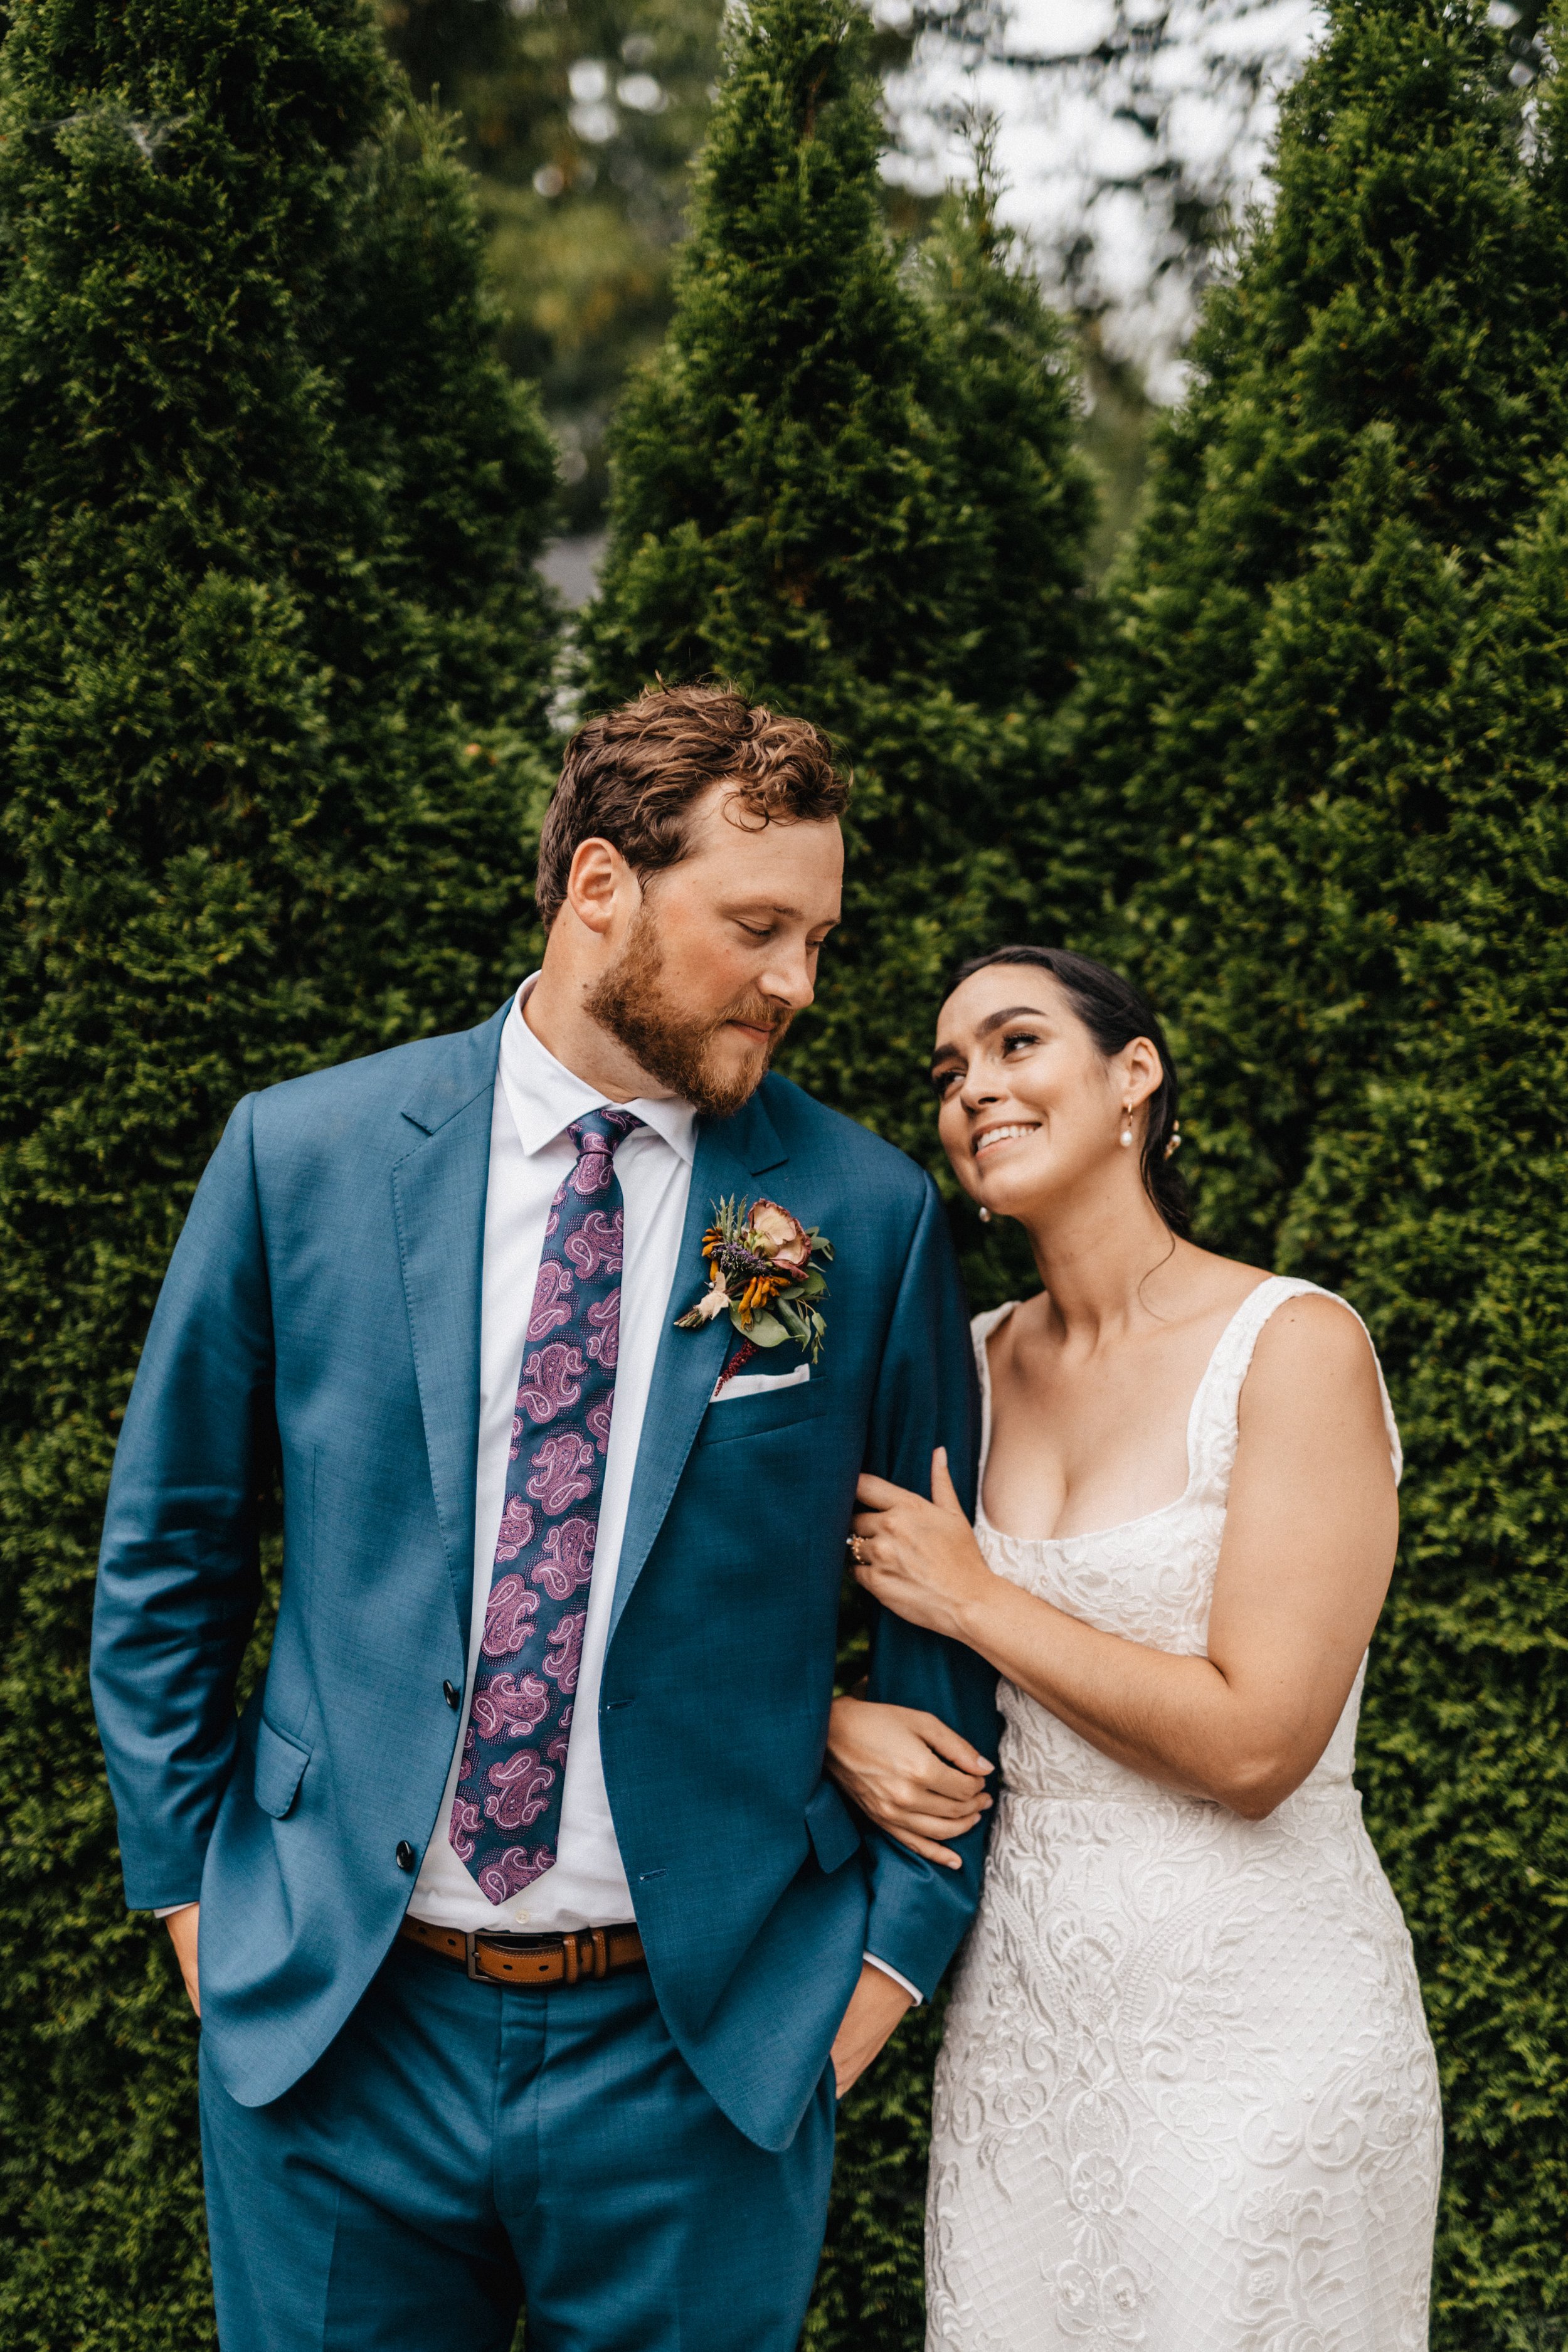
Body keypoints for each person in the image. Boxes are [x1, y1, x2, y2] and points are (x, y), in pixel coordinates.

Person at [90, 684, 1002, 2352]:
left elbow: (936, 1609)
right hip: (338, 2032)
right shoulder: (303, 1157)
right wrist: (201, 1916)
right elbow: (168, 1556)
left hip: (699, 2050)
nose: (800, 981)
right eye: (757, 926)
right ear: (600, 888)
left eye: (818, 933)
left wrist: (869, 1981)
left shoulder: (851, 1210)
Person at [825, 945, 1442, 2352]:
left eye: (1016, 1043)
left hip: (1261, 2024)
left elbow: (1254, 1744)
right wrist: (831, 1721)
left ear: (1133, 1077)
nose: (973, 1087)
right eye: (948, 1072)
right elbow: (766, 1613)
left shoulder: (1289, 1347)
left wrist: (978, 1599)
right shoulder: (962, 1365)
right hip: (1024, 2031)